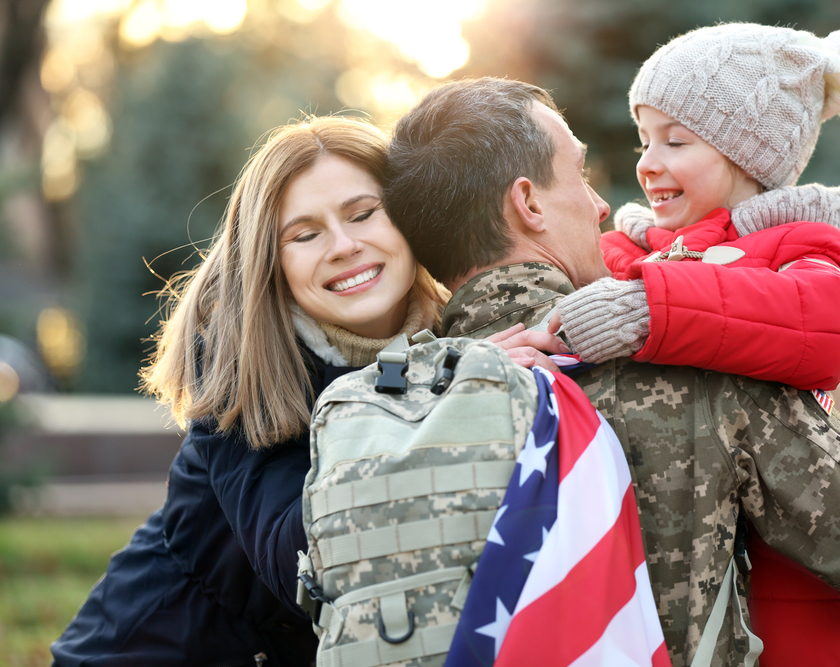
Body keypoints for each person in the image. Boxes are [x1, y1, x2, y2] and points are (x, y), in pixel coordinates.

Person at [383, 77, 840, 667]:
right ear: (528, 203)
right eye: (580, 174)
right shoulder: (692, 367)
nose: (601, 205)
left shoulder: (391, 395)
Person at [50, 115, 561, 667]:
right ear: (274, 263)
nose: (344, 246)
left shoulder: (456, 335)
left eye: (364, 214)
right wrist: (444, 388)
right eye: (305, 234)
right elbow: (302, 554)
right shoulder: (238, 368)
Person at [547, 24, 840, 666]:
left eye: (675, 141)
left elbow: (819, 328)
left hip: (785, 607)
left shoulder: (805, 247)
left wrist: (650, 308)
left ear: (750, 154)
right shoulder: (627, 253)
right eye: (643, 139)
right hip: (662, 591)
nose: (648, 161)